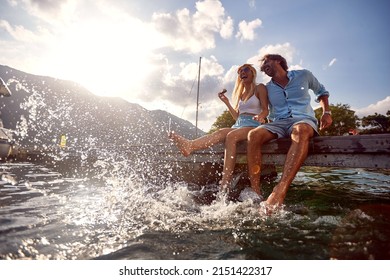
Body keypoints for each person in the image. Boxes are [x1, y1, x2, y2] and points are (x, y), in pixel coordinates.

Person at [169, 63, 269, 197]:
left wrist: (261, 116)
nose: (242, 73)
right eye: (239, 71)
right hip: (239, 124)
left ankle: (225, 182)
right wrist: (227, 102)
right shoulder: (241, 94)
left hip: (254, 125)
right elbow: (237, 117)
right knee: (221, 132)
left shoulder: (259, 88)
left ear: (252, 73)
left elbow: (265, 109)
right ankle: (190, 146)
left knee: (232, 136)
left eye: (245, 70)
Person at [246, 54, 332, 208]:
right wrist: (260, 117)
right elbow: (262, 108)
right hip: (278, 123)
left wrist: (326, 113)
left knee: (300, 130)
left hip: (302, 119)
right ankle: (255, 190)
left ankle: (280, 189)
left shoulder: (304, 75)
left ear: (278, 61)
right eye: (262, 67)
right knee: (253, 135)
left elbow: (321, 92)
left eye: (266, 62)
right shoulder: (267, 88)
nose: (263, 67)